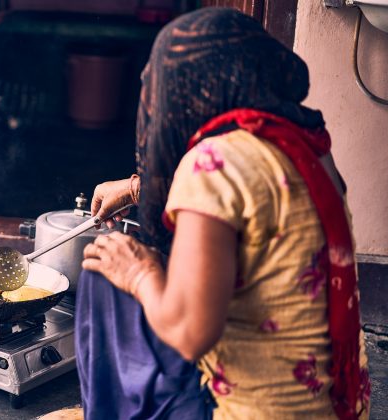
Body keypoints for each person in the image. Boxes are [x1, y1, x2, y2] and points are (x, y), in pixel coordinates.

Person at [73, 7, 370, 420]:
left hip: (245, 411)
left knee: (105, 272)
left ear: (190, 93)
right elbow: (254, 197)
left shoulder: (212, 162)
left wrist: (138, 272)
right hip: (329, 404)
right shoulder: (307, 147)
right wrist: (135, 187)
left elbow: (191, 335)